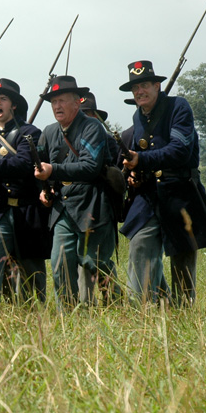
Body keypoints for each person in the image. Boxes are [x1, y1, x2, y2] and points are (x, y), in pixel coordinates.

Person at [118, 60, 206, 306]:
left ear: (157, 85)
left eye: (144, 85)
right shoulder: (138, 114)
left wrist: (141, 159)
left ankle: (183, 315)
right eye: (135, 88)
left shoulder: (178, 107)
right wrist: (135, 171)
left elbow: (180, 151)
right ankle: (145, 310)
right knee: (139, 246)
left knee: (182, 263)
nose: (139, 91)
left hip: (180, 192)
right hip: (149, 195)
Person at [33, 75, 116, 309]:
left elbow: (91, 167)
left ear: (77, 103)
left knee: (94, 262)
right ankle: (68, 316)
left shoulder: (92, 127)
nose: (57, 106)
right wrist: (45, 190)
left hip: (92, 206)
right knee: (59, 264)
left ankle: (116, 305)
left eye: (62, 100)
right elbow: (39, 165)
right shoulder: (49, 132)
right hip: (62, 209)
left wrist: (53, 171)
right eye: (53, 102)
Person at [0, 79, 50, 304]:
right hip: (2, 210)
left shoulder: (30, 133)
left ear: (13, 105)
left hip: (27, 211)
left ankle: (35, 312)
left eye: (3, 99)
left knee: (31, 267)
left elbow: (24, 165)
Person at [76, 91, 123, 304]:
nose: (84, 117)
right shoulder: (67, 135)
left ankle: (109, 297)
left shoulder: (105, 139)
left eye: (88, 113)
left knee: (95, 259)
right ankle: (88, 303)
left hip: (100, 204)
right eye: (81, 113)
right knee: (84, 258)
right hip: (76, 204)